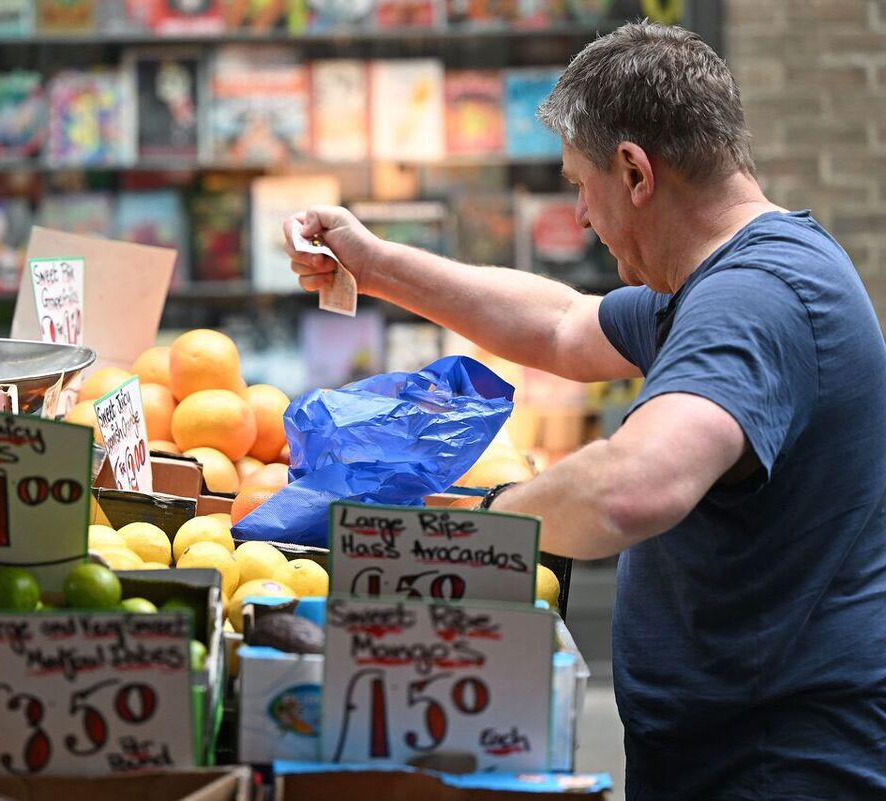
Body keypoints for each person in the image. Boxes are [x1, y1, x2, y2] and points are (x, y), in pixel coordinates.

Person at [284, 21, 886, 800]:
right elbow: (563, 324)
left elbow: (630, 486)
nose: (581, 219)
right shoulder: (723, 283)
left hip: (775, 762)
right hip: (741, 745)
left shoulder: (752, 300)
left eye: (579, 184)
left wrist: (471, 528)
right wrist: (375, 264)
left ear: (635, 171)